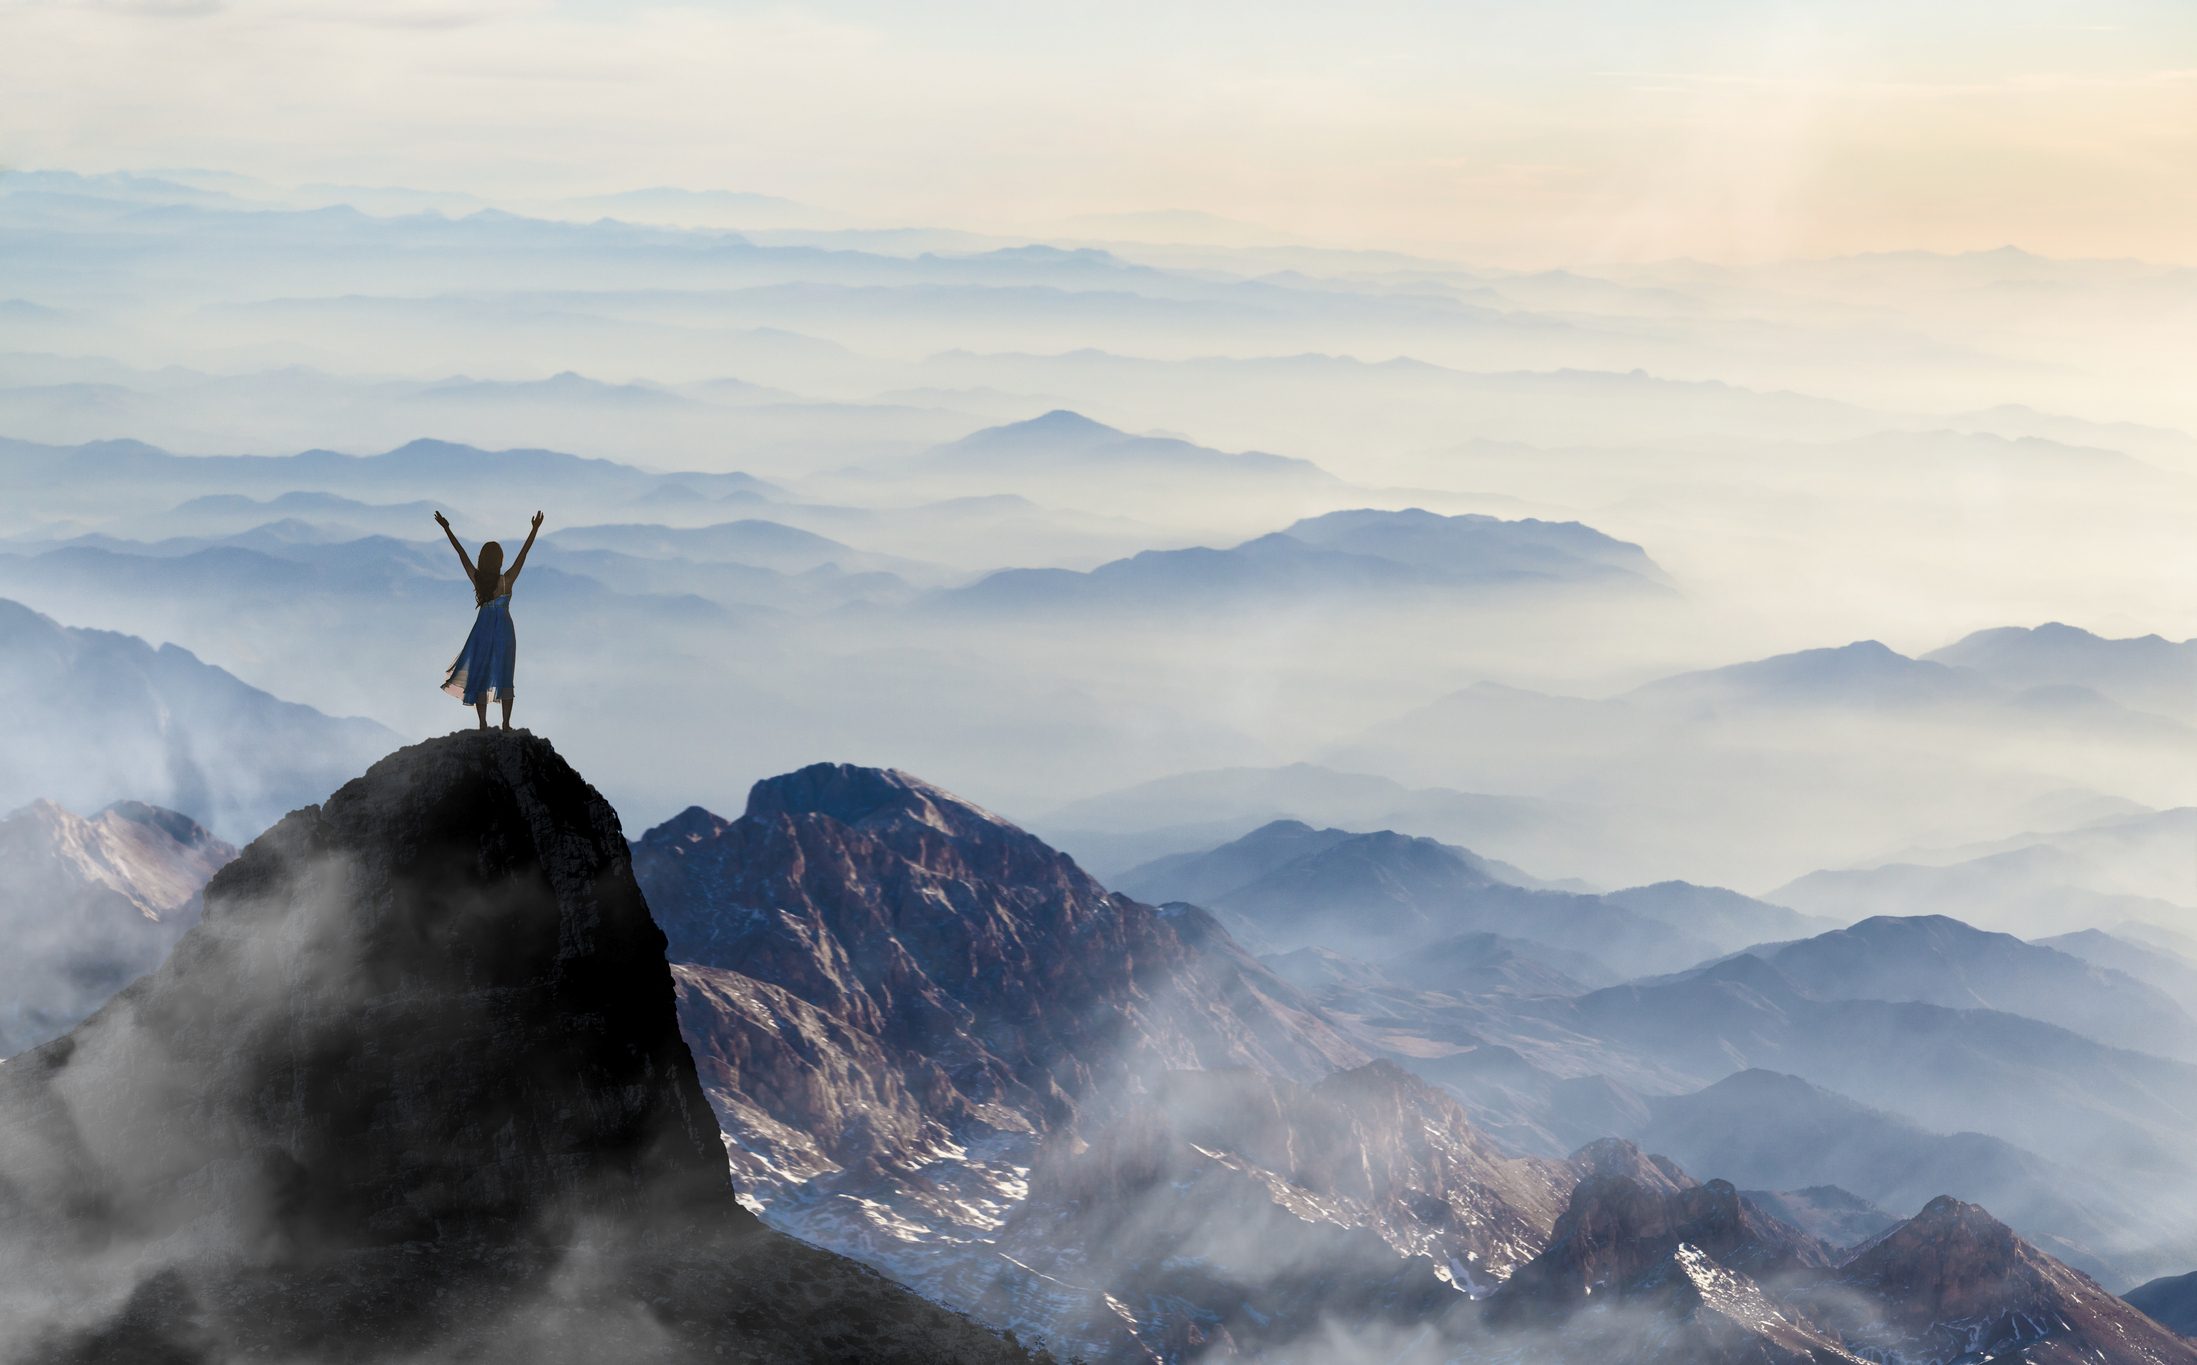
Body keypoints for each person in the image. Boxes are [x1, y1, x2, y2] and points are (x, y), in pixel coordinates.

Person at [435, 510, 543, 731]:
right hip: (504, 629)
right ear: (500, 560)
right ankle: (505, 724)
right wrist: (534, 529)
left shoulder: (478, 580)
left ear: (482, 560)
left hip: (482, 629)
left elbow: (461, 553)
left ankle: (482, 724)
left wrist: (447, 529)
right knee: (506, 674)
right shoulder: (507, 580)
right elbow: (524, 553)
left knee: (481, 673)